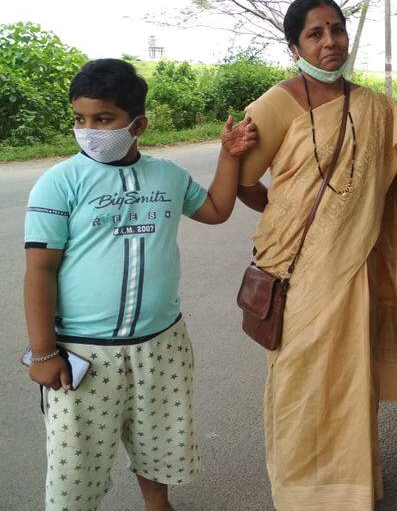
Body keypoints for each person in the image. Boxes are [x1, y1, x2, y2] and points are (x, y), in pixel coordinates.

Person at [23, 58, 257, 511]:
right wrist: (44, 352)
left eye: (103, 119)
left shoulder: (166, 176)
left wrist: (229, 156)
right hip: (81, 352)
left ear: (138, 124)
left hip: (161, 342)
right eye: (80, 119)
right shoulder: (58, 184)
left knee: (160, 436)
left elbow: (215, 210)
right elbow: (40, 271)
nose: (89, 130)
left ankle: (158, 504)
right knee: (77, 462)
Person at [236, 0, 397, 510]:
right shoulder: (276, 103)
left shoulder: (371, 104)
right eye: (315, 34)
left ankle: (350, 490)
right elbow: (245, 181)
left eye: (336, 30)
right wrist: (292, 216)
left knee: (348, 378)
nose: (330, 42)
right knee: (300, 380)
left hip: (352, 265)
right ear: (294, 44)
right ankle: (302, 495)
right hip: (298, 269)